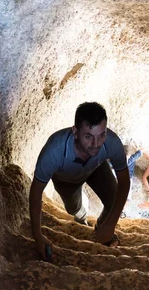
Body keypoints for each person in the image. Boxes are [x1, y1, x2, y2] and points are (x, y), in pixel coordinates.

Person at [29, 102, 131, 260]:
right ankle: (81, 219)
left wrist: (110, 223)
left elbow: (124, 181)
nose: (96, 144)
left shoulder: (111, 142)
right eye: (89, 137)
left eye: (101, 135)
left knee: (113, 198)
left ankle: (100, 227)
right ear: (75, 132)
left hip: (96, 168)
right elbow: (36, 192)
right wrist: (38, 236)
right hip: (66, 180)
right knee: (73, 208)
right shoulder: (54, 151)